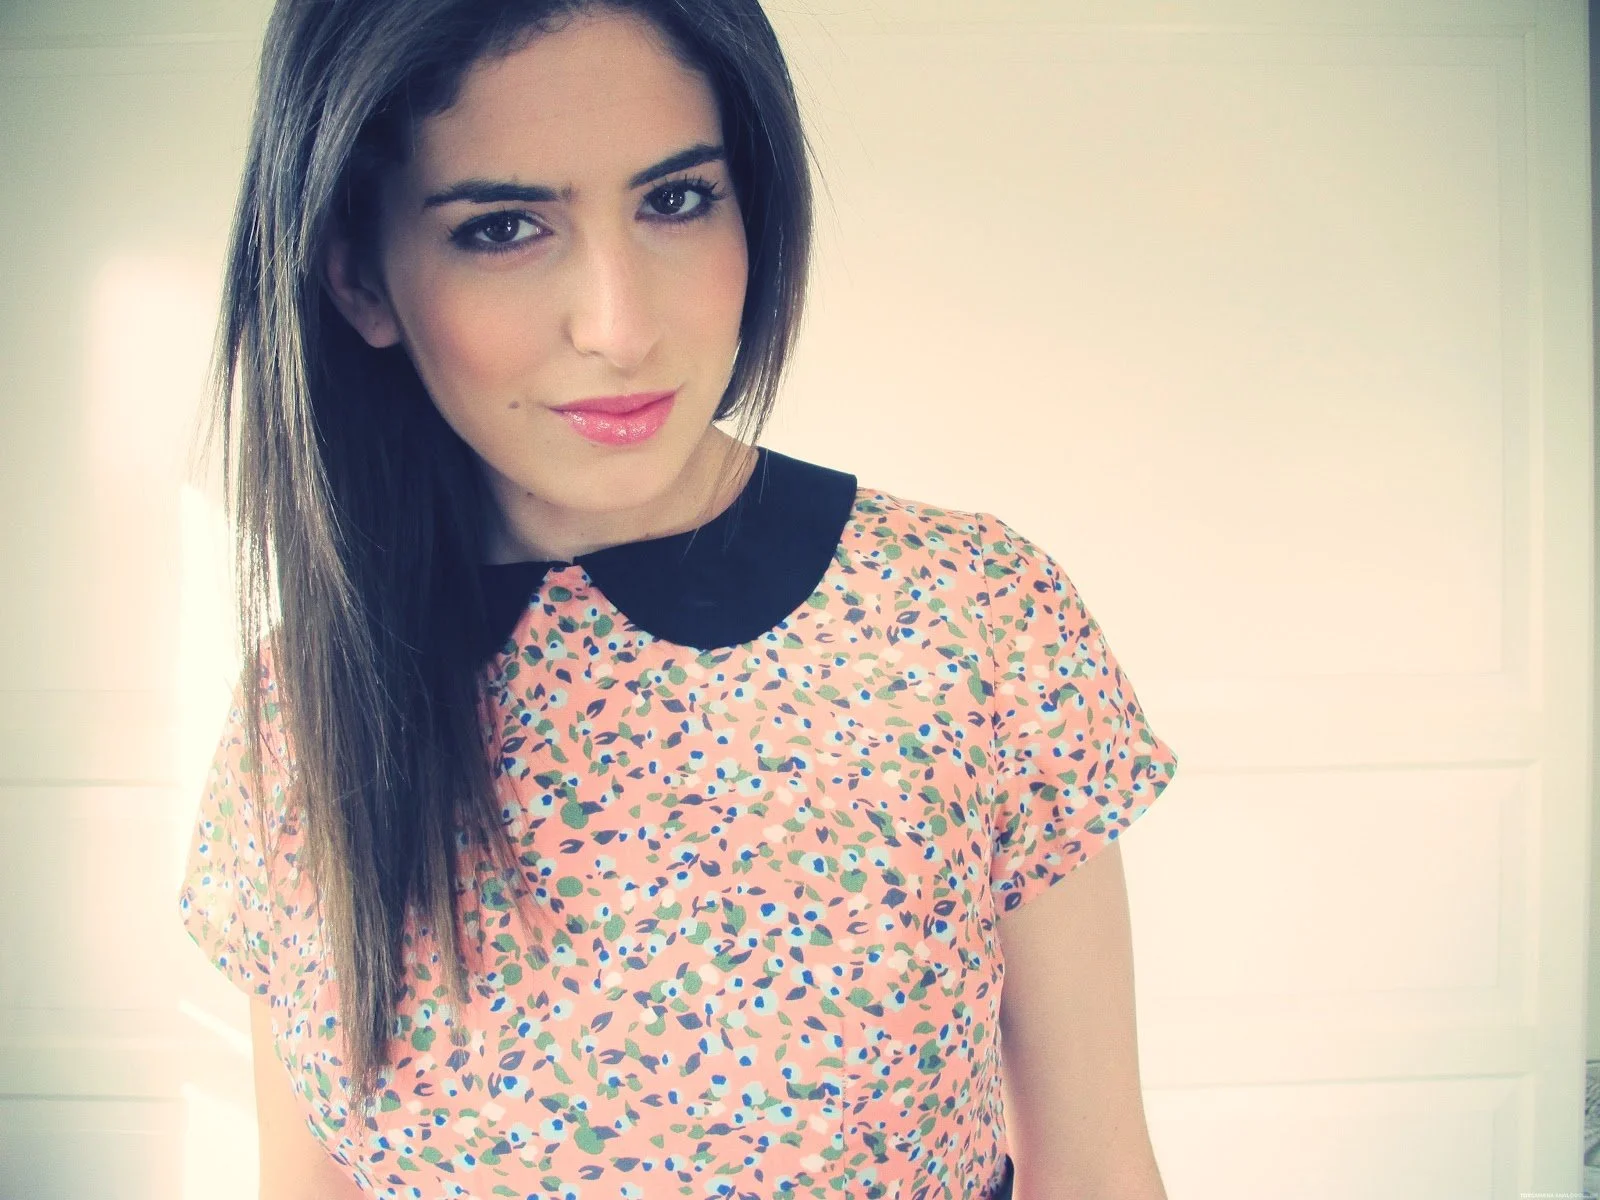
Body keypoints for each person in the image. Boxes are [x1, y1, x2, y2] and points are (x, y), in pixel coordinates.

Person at [176, 1, 1180, 1197]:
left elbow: (1097, 1168)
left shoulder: (968, 619)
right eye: (502, 227)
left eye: (675, 199)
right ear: (359, 280)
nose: (621, 327)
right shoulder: (303, 708)